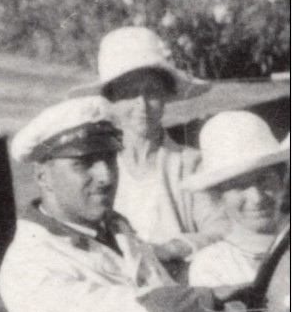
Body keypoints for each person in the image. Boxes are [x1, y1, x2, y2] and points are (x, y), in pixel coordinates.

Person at [0, 97, 244, 312]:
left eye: (110, 159)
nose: (106, 176)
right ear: (42, 176)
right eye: (83, 164)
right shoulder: (28, 264)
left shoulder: (119, 233)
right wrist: (206, 298)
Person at [72, 26, 228, 278]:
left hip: (182, 288)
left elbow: (222, 230)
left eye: (152, 92)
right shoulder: (98, 170)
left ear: (166, 96)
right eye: (128, 93)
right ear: (111, 100)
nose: (141, 105)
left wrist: (173, 248)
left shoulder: (191, 164)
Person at [185, 112, 289, 288]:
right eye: (239, 186)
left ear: (281, 178)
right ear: (219, 195)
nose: (257, 197)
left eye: (264, 180)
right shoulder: (213, 266)